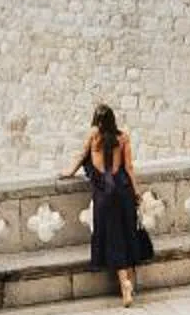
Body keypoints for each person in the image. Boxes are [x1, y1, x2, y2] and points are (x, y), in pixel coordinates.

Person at [65, 104, 156, 304]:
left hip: (104, 196)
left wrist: (68, 173)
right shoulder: (123, 138)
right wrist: (136, 192)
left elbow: (81, 157)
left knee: (113, 238)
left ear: (96, 121)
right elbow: (129, 167)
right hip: (123, 192)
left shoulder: (94, 137)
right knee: (127, 234)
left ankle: (125, 284)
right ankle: (130, 285)